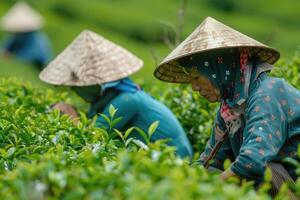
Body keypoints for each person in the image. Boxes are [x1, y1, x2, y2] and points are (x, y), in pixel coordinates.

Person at [154, 17, 299, 194]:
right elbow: (211, 159)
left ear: (218, 71)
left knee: (262, 172)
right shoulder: (230, 108)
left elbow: (252, 161)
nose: (194, 87)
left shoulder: (267, 94)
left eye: (197, 78)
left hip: (291, 183)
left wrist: (207, 189)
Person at [39, 30, 193, 158]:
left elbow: (90, 140)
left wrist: (71, 116)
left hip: (175, 160)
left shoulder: (127, 100)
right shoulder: (115, 98)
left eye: (78, 85)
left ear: (97, 83)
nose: (73, 89)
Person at [0, 1, 53, 69]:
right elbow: (5, 48)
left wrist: (10, 57)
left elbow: (28, 57)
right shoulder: (15, 37)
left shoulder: (36, 39)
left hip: (39, 67)